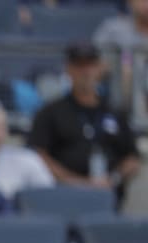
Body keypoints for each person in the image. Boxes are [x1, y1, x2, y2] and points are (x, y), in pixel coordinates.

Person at [27, 42, 141, 209]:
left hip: (109, 197)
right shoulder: (51, 112)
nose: (86, 72)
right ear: (68, 69)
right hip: (63, 198)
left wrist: (113, 178)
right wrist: (76, 182)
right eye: (79, 66)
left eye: (90, 65)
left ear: (100, 68)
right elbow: (38, 156)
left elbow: (132, 157)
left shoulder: (115, 112)